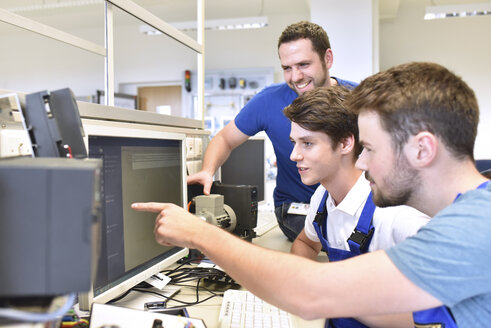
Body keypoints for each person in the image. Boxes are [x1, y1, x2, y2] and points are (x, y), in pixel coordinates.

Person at [132, 62, 491, 328]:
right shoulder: (467, 216)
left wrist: (198, 232)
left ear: (423, 149)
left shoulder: (471, 230)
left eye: (370, 149)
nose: (362, 162)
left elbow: (311, 294)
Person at [187, 21, 357, 241]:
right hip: (296, 207)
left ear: (328, 59)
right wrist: (207, 170)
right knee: (336, 238)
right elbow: (224, 139)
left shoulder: (358, 98)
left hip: (350, 202)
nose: (295, 77)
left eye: (304, 64)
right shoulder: (269, 101)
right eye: (287, 68)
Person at [285, 86, 429, 327]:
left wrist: (331, 296)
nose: (294, 155)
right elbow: (305, 242)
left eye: (307, 143)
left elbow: (439, 312)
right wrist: (308, 280)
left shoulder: (395, 214)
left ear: (345, 143)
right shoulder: (322, 196)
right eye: (294, 142)